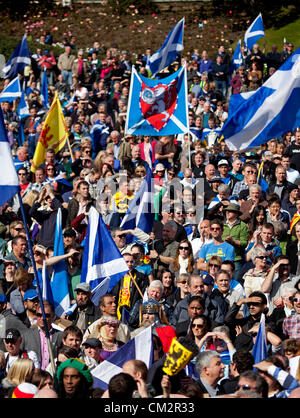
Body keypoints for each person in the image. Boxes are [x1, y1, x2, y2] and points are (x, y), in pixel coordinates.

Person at [20, 301, 63, 370]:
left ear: (53, 317)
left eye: (47, 315)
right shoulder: (26, 335)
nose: (42, 318)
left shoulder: (60, 335)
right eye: (39, 315)